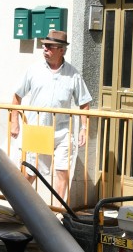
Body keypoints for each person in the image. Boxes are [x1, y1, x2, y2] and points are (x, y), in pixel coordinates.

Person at [8, 30, 93, 202]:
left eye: (49, 46)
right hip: (38, 128)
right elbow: (17, 96)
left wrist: (84, 128)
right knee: (31, 171)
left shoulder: (73, 74)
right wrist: (14, 121)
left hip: (62, 131)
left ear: (61, 50)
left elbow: (84, 102)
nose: (44, 48)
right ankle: (18, 204)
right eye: (44, 45)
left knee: (62, 171)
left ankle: (57, 212)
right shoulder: (33, 70)